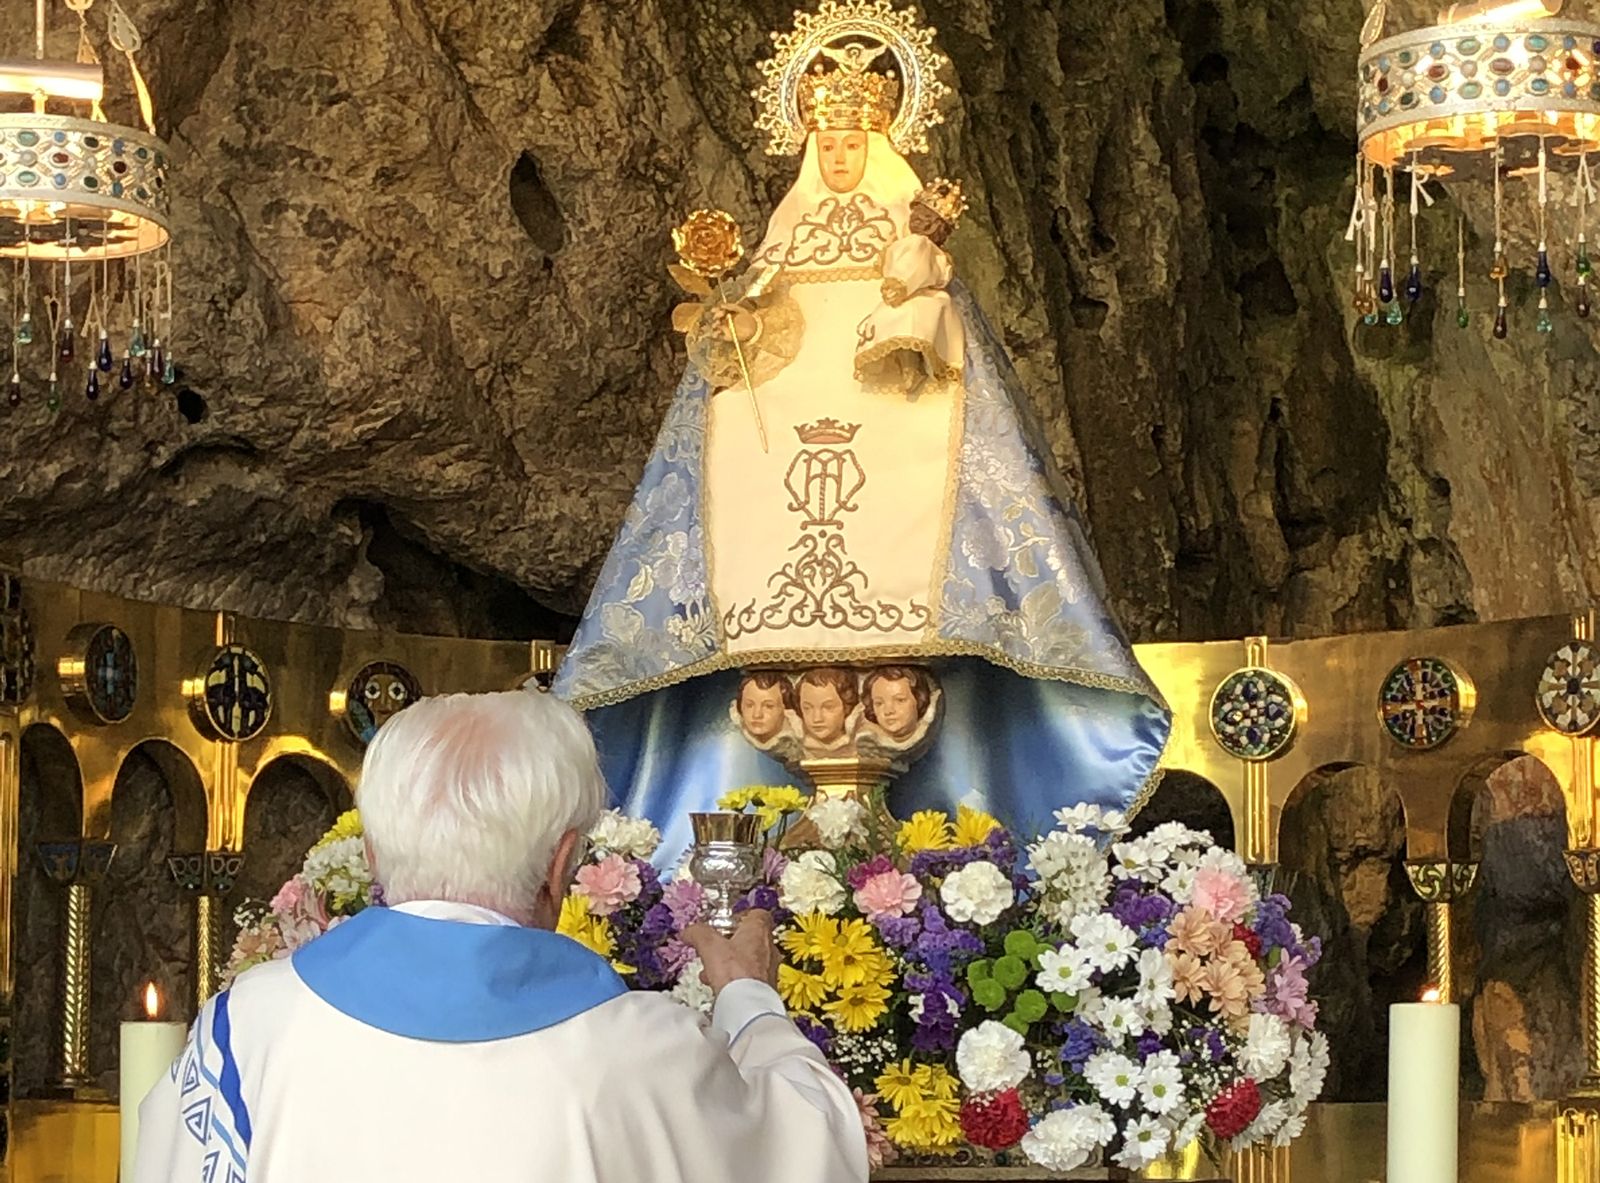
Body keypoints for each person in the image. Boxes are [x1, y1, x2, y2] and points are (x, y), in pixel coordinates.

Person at [553, 5, 1170, 865]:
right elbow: (739, 361)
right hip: (778, 489)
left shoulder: (911, 253)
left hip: (897, 486)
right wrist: (732, 328)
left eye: (854, 142)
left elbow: (960, 394)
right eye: (828, 143)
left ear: (880, 142)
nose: (840, 157)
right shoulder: (776, 254)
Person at [132, 690, 867, 1183]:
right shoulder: (642, 1050)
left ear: (375, 855)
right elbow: (810, 1150)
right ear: (560, 863)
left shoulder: (247, 1030)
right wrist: (749, 999)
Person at [796, 666, 859, 755]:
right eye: (807, 708)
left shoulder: (862, 747)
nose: (817, 719)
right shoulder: (794, 749)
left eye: (828, 707)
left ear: (847, 707)